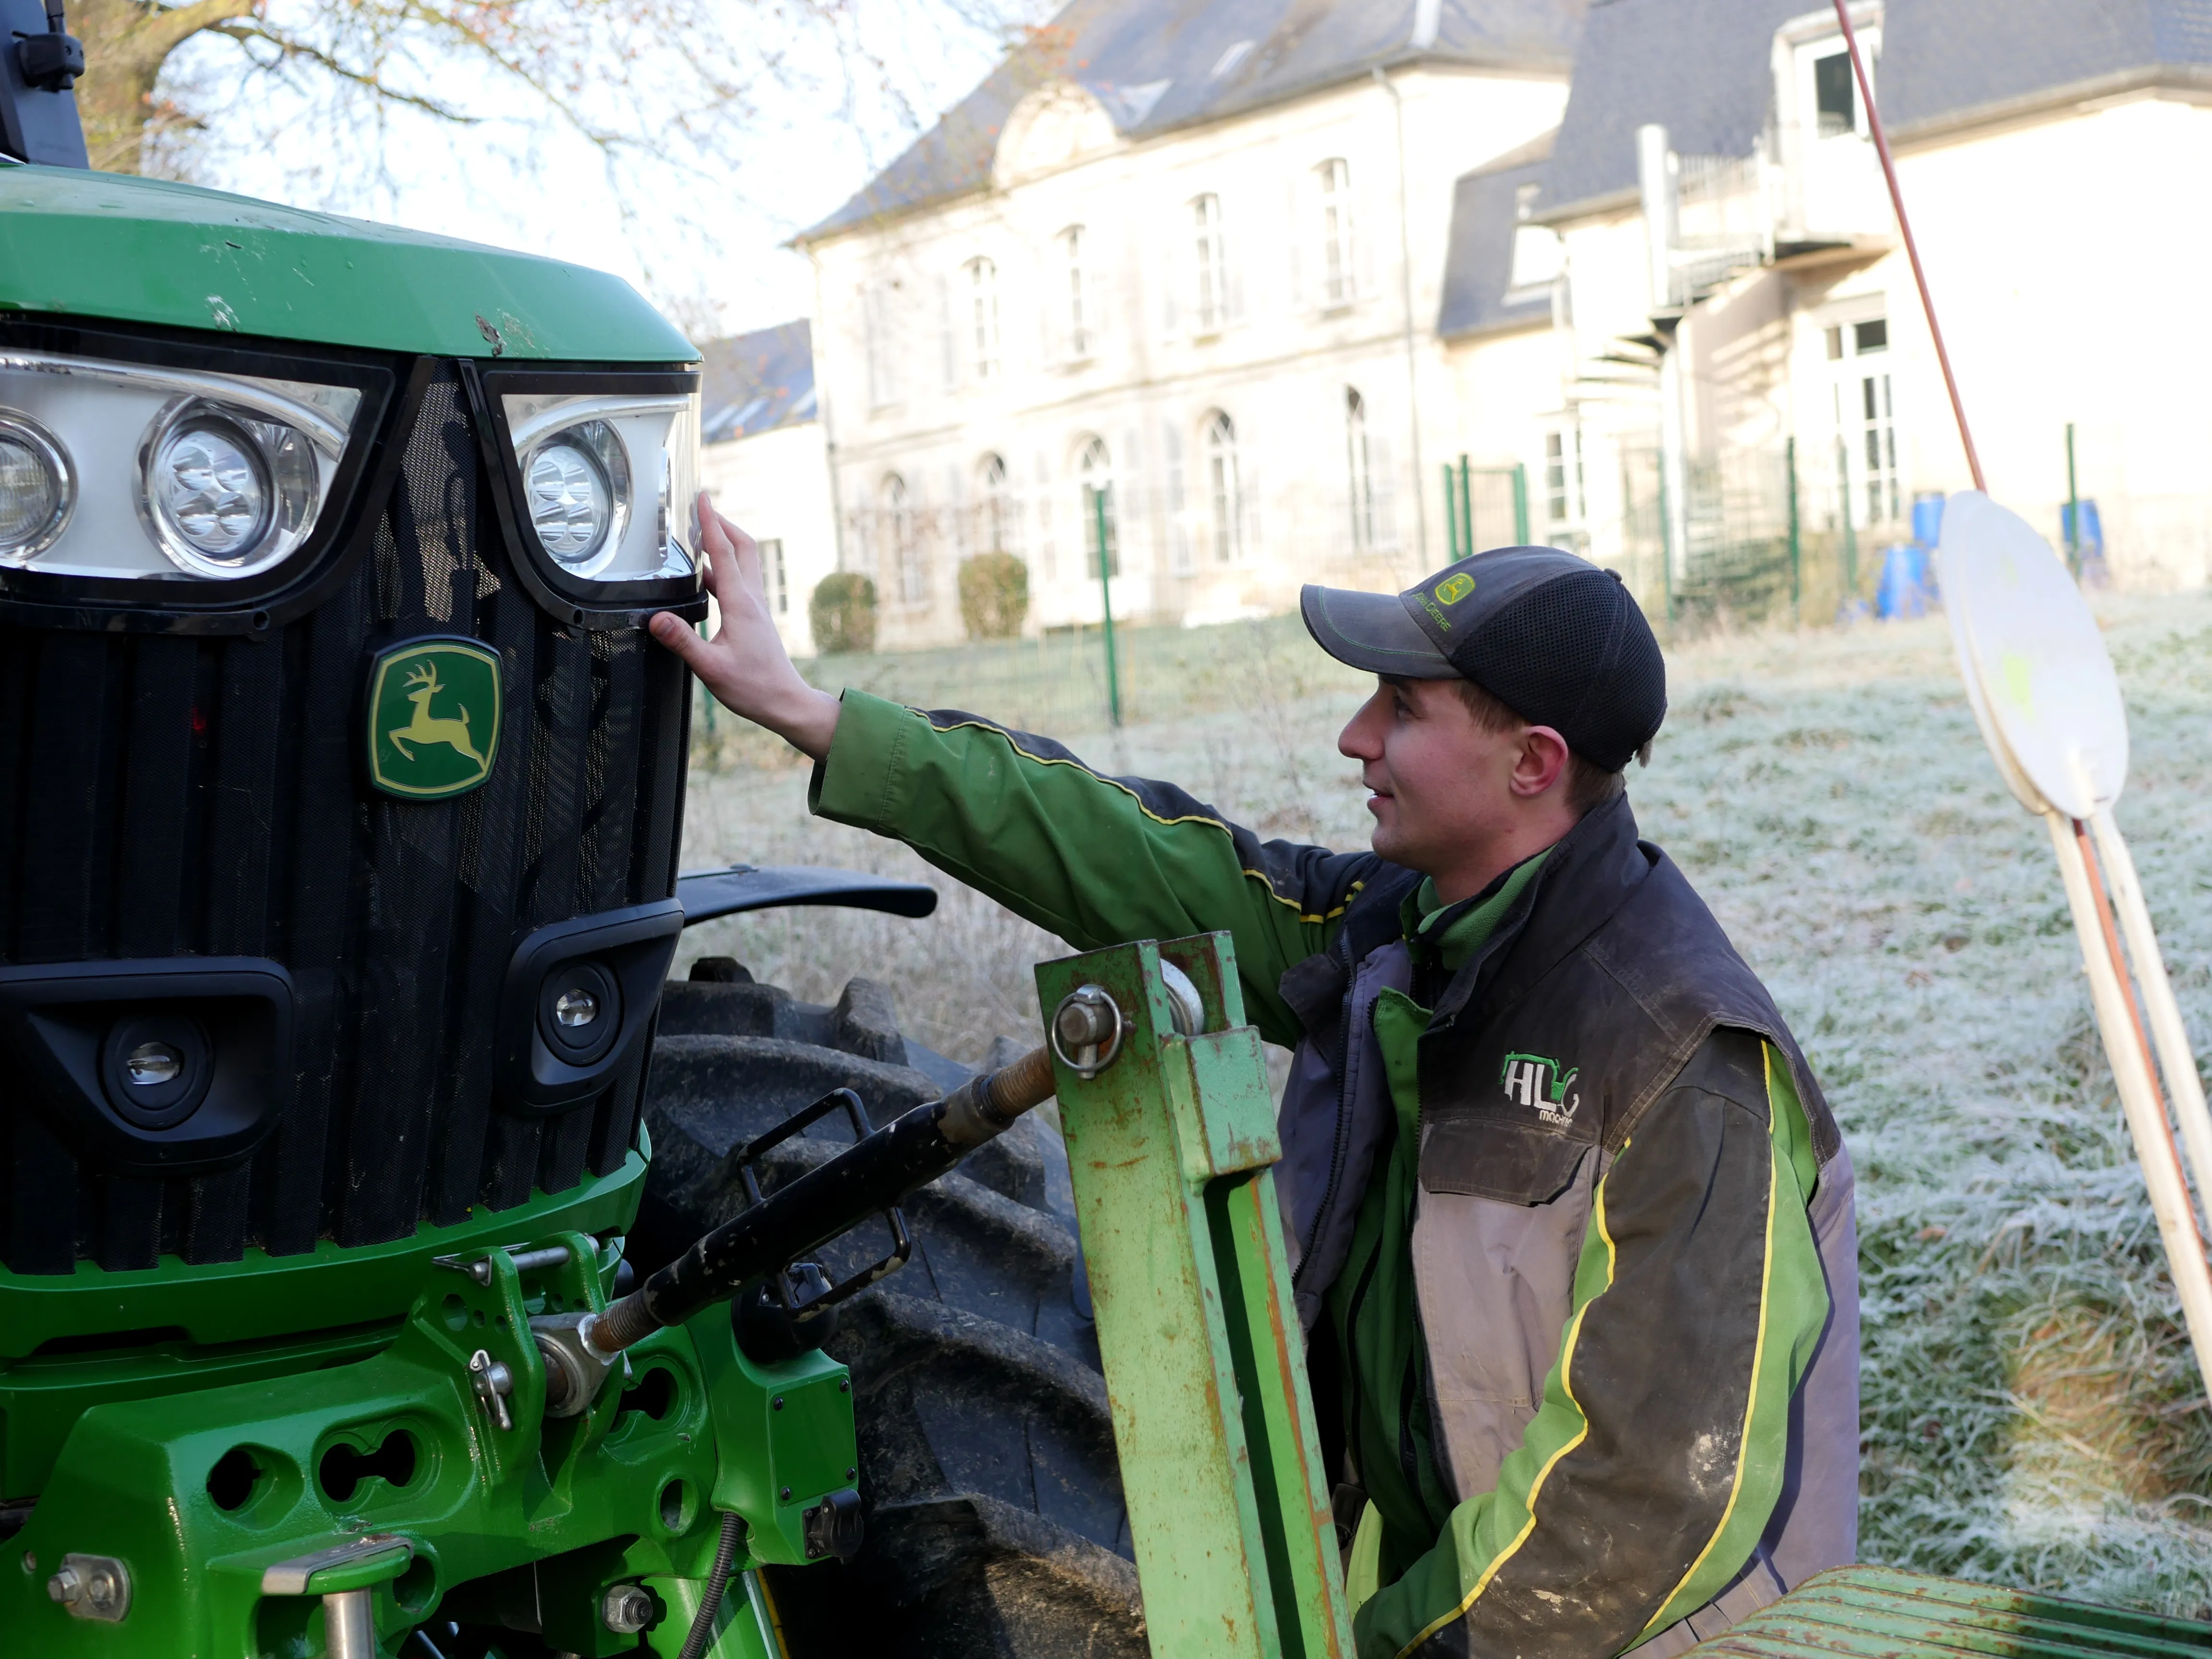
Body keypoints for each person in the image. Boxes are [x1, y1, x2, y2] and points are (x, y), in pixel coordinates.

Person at [650, 499, 1859, 1659]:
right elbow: (1126, 856)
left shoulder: (1679, 1059)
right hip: (1438, 1602)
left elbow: (1644, 1500)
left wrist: (1379, 1646)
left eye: (1401, 707)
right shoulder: (1400, 933)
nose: (1355, 738)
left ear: (1532, 763)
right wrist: (817, 716)